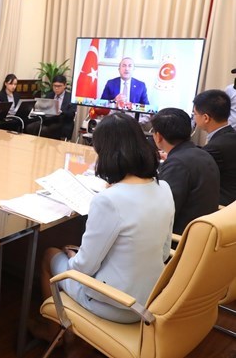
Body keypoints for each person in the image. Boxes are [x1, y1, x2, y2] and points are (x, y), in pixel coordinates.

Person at [38, 112, 173, 332]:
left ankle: (58, 333)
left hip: (113, 302)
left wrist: (73, 257)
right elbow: (165, 251)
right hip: (149, 299)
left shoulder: (108, 200)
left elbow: (84, 267)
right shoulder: (163, 188)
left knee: (49, 255)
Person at [151, 108, 220, 234]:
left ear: (158, 136)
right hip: (201, 235)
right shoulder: (201, 154)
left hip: (179, 240)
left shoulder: (178, 164)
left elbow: (164, 212)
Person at [193, 89, 236, 206]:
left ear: (206, 118)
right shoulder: (230, 136)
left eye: (195, 114)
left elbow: (195, 171)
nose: (194, 118)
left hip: (221, 205)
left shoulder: (216, 147)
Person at [26, 75, 76, 140]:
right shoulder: (49, 95)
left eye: (59, 86)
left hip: (63, 122)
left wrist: (61, 111)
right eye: (54, 86)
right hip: (49, 120)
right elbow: (44, 109)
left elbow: (71, 114)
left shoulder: (70, 97)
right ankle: (36, 145)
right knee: (30, 127)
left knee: (44, 131)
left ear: (65, 85)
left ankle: (42, 146)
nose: (56, 88)